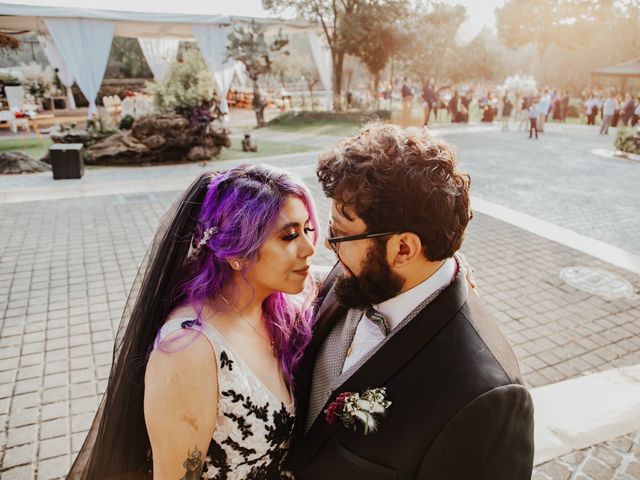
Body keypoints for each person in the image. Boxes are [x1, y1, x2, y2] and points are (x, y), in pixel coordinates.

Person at [289, 123, 535, 479]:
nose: (328, 245)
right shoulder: (360, 273)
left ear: (403, 248)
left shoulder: (487, 398)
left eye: (339, 233)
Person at [68, 164, 320, 479]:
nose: (310, 248)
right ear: (236, 251)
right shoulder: (188, 351)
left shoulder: (277, 308)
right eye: (289, 236)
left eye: (308, 229)